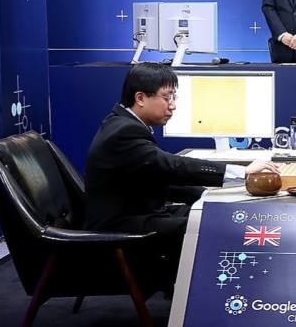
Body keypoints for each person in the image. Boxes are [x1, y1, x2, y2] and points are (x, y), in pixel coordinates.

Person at [84, 62, 278, 283]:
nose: (173, 106)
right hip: (119, 227)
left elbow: (156, 175)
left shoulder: (122, 122)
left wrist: (206, 194)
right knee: (205, 223)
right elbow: (170, 166)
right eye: (167, 98)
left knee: (206, 213)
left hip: (137, 213)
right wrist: (242, 172)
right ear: (140, 98)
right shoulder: (124, 132)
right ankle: (205, 292)